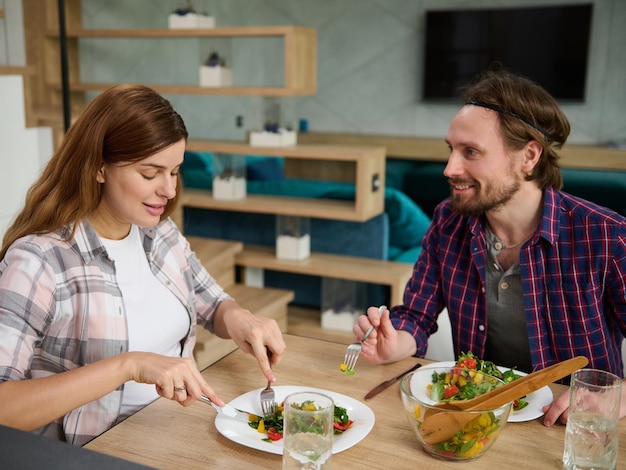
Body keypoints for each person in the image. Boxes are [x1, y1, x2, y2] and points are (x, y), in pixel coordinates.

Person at [0, 84, 286, 446]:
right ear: (99, 168)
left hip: (175, 429)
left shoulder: (159, 233)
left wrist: (240, 318)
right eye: (150, 174)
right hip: (97, 451)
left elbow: (210, 303)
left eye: (175, 171)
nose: (168, 190)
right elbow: (3, 409)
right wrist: (129, 366)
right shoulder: (40, 262)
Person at [355, 67, 626, 426]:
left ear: (529, 157)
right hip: (477, 420)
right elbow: (417, 316)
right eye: (451, 150)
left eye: (471, 152)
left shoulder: (605, 235)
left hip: (575, 429)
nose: (450, 168)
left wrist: (618, 396)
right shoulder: (448, 222)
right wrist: (395, 342)